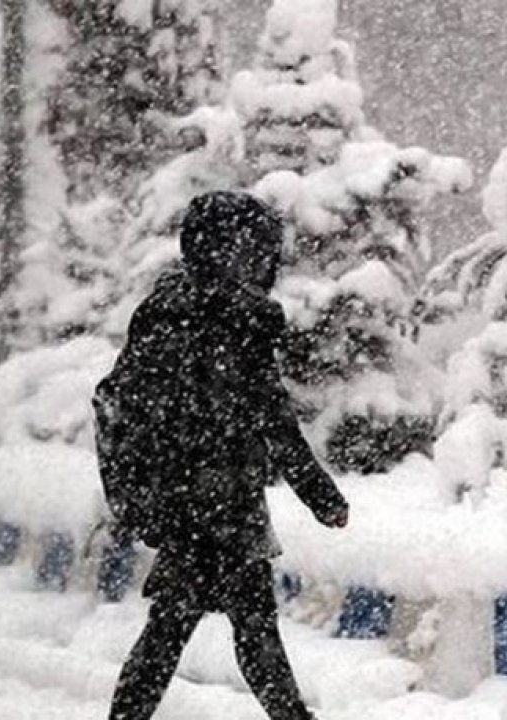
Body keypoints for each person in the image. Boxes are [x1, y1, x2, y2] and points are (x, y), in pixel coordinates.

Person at [106, 191, 349, 720]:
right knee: (248, 625)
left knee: (174, 626)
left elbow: (124, 404)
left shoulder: (161, 311)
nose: (261, 263)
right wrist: (321, 495)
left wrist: (141, 493)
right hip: (224, 502)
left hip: (178, 500)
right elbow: (274, 420)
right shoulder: (241, 322)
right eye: (253, 250)